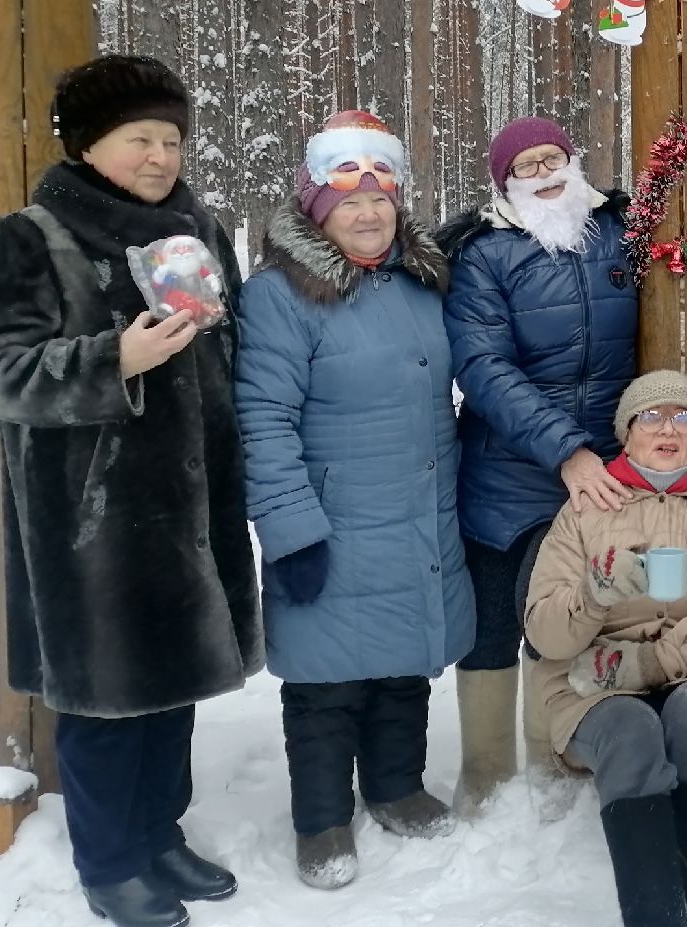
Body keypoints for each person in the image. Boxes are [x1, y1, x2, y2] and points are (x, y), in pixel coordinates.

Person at [0, 56, 262, 927]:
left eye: (171, 139)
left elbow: (232, 347)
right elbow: (2, 374)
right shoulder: (34, 236)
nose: (159, 156)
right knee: (108, 703)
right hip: (91, 522)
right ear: (86, 144)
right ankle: (109, 864)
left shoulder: (199, 229)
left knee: (174, 690)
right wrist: (115, 359)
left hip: (193, 508)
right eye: (138, 138)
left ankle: (158, 834)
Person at [234, 110, 475, 888]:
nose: (369, 214)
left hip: (418, 513)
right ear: (316, 209)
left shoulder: (420, 283)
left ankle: (397, 785)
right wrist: (291, 530)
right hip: (332, 520)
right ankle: (322, 820)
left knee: (404, 666)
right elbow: (262, 419)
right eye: (349, 202)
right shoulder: (279, 296)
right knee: (326, 681)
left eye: (380, 198)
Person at [438, 117, 638, 811]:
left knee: (568, 617)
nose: (544, 173)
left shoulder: (619, 232)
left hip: (601, 470)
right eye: (525, 166)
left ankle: (553, 755)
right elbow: (483, 366)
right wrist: (565, 450)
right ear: (505, 183)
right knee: (492, 621)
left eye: (553, 158)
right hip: (505, 469)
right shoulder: (484, 253)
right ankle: (486, 770)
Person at [524, 371, 687, 927]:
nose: (668, 429)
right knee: (630, 732)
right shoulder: (585, 510)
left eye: (684, 418)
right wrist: (593, 595)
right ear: (627, 432)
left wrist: (652, 662)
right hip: (594, 680)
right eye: (651, 416)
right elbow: (545, 632)